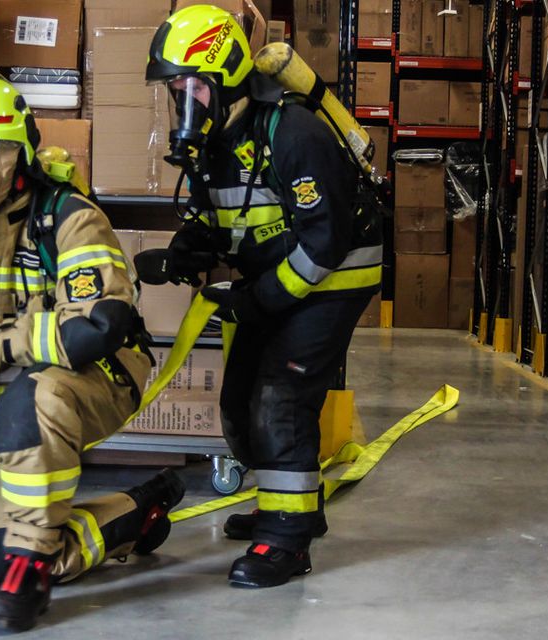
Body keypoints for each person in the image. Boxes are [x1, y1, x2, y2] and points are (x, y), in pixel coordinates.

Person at [0, 69, 184, 632]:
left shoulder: (67, 217)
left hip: (100, 373)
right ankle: (135, 514)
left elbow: (98, 325)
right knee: (18, 550)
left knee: (32, 401)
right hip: (18, 391)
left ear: (15, 154)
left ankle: (26, 581)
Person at [141, 5, 382, 588]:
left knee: (281, 396)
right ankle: (291, 504)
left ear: (226, 78)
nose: (186, 101)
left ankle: (287, 541)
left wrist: (262, 301)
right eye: (177, 89)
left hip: (333, 278)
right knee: (240, 400)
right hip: (275, 278)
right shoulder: (216, 139)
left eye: (197, 85)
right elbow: (221, 217)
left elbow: (324, 245)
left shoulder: (292, 133)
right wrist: (187, 250)